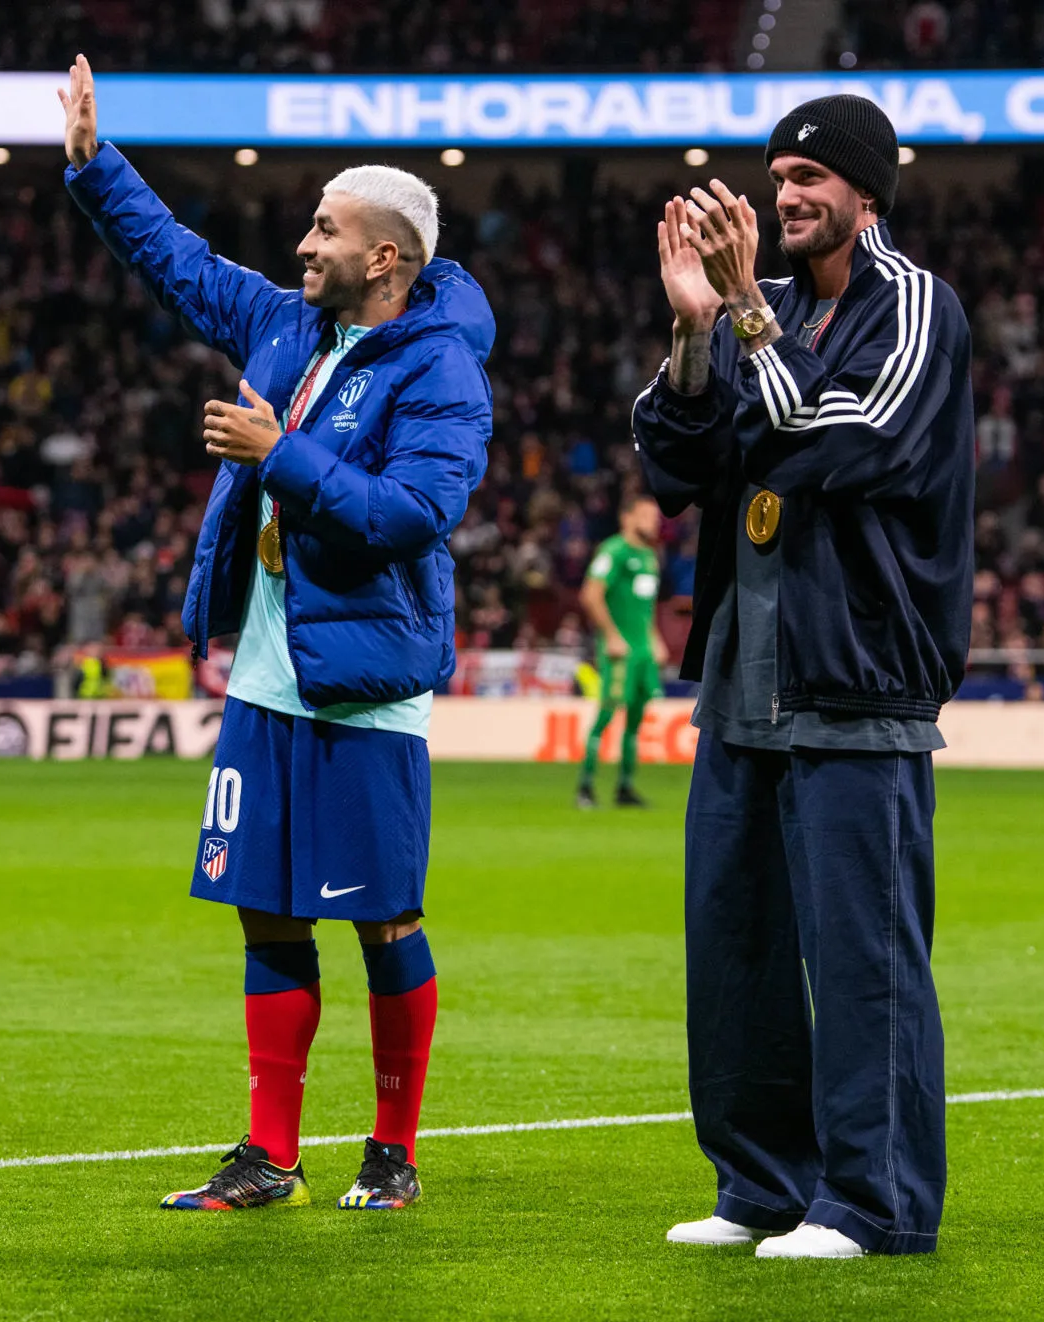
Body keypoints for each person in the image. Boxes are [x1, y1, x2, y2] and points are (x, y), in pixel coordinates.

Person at [60, 55, 493, 1210]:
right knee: (264, 905)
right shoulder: (284, 327)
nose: (302, 246)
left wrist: (279, 458)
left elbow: (414, 514)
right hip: (265, 676)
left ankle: (391, 1152)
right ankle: (269, 1156)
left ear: (383, 257)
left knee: (383, 915)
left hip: (361, 685)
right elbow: (180, 266)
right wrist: (95, 168)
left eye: (323, 229)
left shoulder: (440, 369)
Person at [631, 95, 974, 1257]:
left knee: (861, 956)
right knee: (732, 947)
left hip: (857, 677)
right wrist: (692, 333)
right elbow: (681, 461)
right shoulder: (754, 309)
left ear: (864, 192)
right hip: (743, 678)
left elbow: (851, 437)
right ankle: (759, 1185)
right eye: (775, 175)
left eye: (810, 177)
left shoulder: (916, 307)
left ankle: (871, 1201)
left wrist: (738, 318)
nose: (785, 194)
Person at [576, 494, 667, 810]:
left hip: (642, 651)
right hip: (619, 651)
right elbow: (590, 594)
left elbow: (647, 608)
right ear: (626, 518)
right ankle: (585, 787)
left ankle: (624, 787)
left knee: (637, 720)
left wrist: (655, 639)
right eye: (646, 515)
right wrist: (612, 636)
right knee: (606, 714)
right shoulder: (614, 551)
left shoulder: (650, 557)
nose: (654, 521)